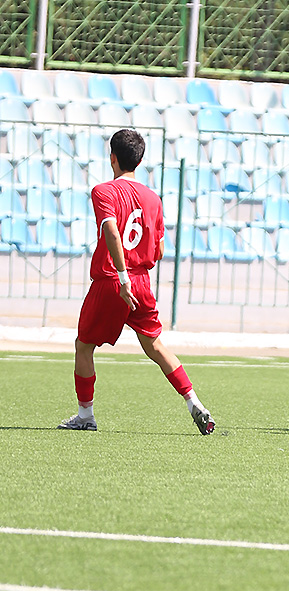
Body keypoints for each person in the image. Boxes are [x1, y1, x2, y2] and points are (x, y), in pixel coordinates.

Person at [58, 129, 215, 435]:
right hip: (142, 281)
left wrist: (121, 275)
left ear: (112, 158)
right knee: (155, 345)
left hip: (113, 279)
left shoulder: (103, 191)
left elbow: (111, 231)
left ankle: (85, 415)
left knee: (84, 346)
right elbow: (159, 249)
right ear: (140, 161)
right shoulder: (153, 199)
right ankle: (193, 401)